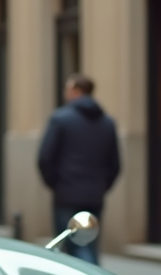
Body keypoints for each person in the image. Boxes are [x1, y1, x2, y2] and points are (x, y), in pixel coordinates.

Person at [37, 74, 121, 264]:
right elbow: (115, 165)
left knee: (72, 250)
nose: (66, 94)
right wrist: (100, 187)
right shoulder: (107, 123)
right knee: (89, 243)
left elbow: (45, 158)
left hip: (67, 195)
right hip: (94, 196)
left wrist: (56, 184)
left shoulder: (60, 119)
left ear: (76, 91)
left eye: (68, 90)